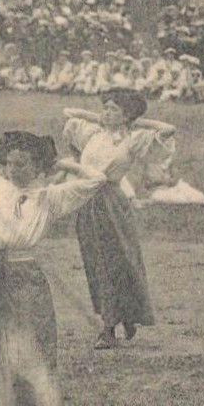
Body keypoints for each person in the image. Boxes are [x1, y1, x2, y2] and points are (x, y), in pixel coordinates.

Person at [0, 132, 107, 406]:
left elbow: (96, 179)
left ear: (38, 166)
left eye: (22, 164)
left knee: (38, 349)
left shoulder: (50, 197)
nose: (14, 170)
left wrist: (60, 163)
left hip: (26, 272)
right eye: (10, 164)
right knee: (4, 349)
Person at [63, 91, 175, 348]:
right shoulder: (92, 134)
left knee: (118, 261)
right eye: (105, 108)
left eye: (113, 110)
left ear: (126, 116)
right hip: (88, 200)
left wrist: (135, 122)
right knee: (96, 262)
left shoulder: (134, 140)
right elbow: (69, 115)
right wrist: (102, 118)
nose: (106, 113)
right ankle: (116, 319)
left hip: (112, 203)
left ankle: (111, 327)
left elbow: (169, 129)